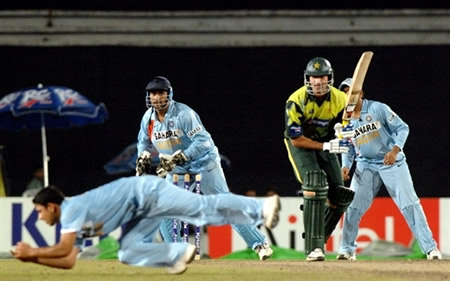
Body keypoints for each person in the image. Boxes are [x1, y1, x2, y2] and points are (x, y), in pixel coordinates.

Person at [11, 175, 281, 274]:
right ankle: (177, 253)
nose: (39, 217)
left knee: (201, 209)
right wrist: (32, 259)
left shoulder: (71, 210)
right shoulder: (71, 219)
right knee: (127, 252)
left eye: (39, 211)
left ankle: (262, 206)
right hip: (141, 211)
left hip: (150, 192)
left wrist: (31, 253)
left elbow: (62, 248)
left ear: (52, 206)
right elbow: (69, 259)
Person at [136, 76, 274, 260]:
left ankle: (260, 245)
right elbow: (143, 143)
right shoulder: (148, 119)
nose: (157, 97)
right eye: (153, 93)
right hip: (175, 169)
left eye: (161, 93)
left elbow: (204, 142)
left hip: (203, 163)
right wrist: (143, 156)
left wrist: (182, 156)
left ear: (169, 93)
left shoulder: (184, 114)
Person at [336, 78, 442, 260]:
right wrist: (345, 166)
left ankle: (431, 249)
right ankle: (346, 249)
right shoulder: (346, 122)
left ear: (361, 93)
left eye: (351, 92)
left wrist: (395, 150)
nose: (348, 96)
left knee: (409, 205)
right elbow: (348, 146)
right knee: (352, 207)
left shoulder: (378, 108)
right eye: (344, 93)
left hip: (391, 162)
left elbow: (402, 128)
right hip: (365, 165)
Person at [283, 57, 355, 261]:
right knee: (314, 183)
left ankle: (316, 239)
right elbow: (296, 139)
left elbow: (350, 119)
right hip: (302, 145)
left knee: (340, 195)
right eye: (314, 78)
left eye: (322, 76)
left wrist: (346, 132)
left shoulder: (340, 98)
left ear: (329, 77)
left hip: (326, 143)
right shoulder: (295, 101)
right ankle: (314, 249)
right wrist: (326, 145)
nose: (318, 82)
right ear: (308, 79)